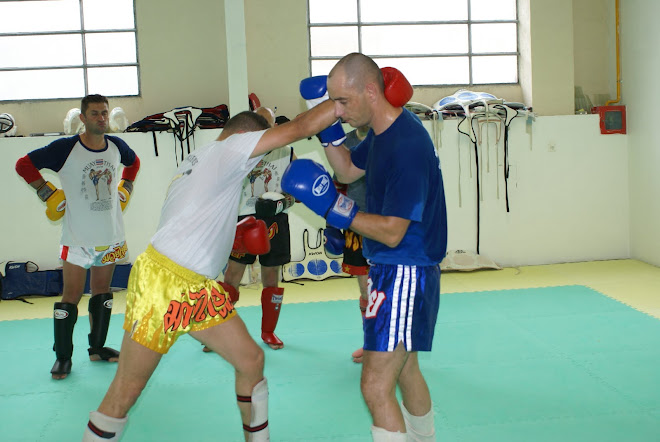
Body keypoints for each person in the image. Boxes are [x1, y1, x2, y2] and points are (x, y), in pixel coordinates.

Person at [81, 104, 341, 442]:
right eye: (261, 142)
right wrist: (339, 101)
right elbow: (298, 128)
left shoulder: (203, 156)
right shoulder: (232, 150)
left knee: (250, 360)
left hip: (196, 287)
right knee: (126, 389)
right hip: (165, 282)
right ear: (248, 137)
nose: (261, 158)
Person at [283, 53, 447, 441]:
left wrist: (336, 208)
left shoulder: (406, 145)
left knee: (374, 387)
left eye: (342, 101)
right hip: (395, 267)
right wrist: (326, 134)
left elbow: (392, 231)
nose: (335, 112)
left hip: (405, 266)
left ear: (370, 92)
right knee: (406, 371)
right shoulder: (381, 131)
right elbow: (346, 170)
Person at [15, 94, 140, 380]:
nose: (101, 118)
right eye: (95, 113)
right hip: (76, 238)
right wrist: (47, 192)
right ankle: (62, 357)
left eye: (104, 113)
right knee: (70, 297)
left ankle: (97, 348)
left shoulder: (117, 146)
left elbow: (135, 164)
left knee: (102, 294)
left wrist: (126, 189)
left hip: (110, 236)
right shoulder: (65, 149)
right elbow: (23, 165)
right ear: (83, 118)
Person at [202, 106, 296, 351]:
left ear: (274, 126)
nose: (263, 129)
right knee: (232, 274)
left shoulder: (286, 152)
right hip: (243, 219)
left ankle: (268, 332)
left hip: (274, 222)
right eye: (259, 123)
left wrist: (282, 203)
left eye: (268, 124)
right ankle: (218, 331)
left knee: (271, 275)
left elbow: (296, 191)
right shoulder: (237, 153)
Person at [324, 125, 370, 363]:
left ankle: (391, 347)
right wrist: (331, 224)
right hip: (355, 224)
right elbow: (338, 186)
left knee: (388, 290)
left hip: (386, 224)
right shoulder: (346, 143)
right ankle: (370, 344)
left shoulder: (387, 136)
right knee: (365, 290)